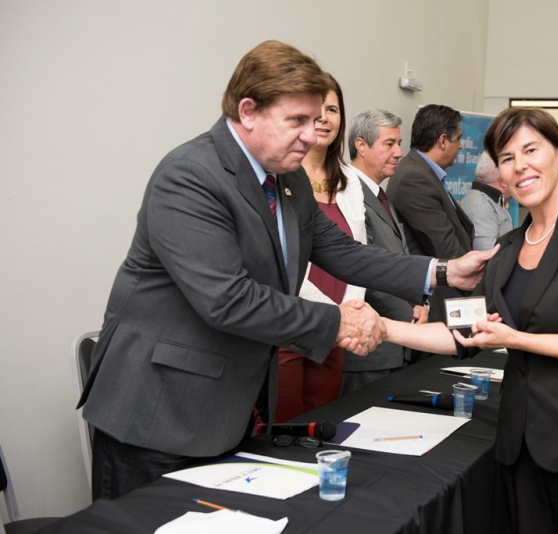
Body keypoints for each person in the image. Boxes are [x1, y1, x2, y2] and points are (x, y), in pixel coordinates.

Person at [78, 40, 493, 500]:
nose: (312, 136)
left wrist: (443, 272)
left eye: (315, 121)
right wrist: (341, 322)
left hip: (231, 408)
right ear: (248, 111)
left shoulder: (288, 179)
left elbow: (343, 252)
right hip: (159, 413)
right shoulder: (190, 176)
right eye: (297, 121)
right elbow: (228, 300)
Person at [384, 107, 558, 534]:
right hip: (520, 443)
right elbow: (466, 330)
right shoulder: (507, 248)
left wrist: (517, 338)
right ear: (501, 175)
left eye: (530, 150)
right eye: (507, 157)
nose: (519, 165)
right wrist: (383, 328)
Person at [273, 75, 367, 422]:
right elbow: (283, 256)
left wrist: (349, 309)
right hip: (291, 319)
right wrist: (330, 311)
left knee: (322, 422)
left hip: (337, 326)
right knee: (283, 425)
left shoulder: (350, 179)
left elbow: (356, 248)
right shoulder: (282, 175)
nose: (325, 118)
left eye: (333, 109)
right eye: (317, 110)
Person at [339, 109, 429, 395]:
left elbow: (398, 257)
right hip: (369, 350)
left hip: (394, 344)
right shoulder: (348, 194)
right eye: (389, 144)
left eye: (399, 144)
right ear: (361, 146)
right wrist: (408, 316)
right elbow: (363, 268)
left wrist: (420, 303)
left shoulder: (379, 194)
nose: (398, 152)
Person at [386, 104, 474, 330]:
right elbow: (445, 249)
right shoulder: (415, 178)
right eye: (458, 138)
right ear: (443, 141)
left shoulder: (423, 173)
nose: (461, 145)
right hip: (438, 305)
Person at [460, 151, 514, 250]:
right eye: (514, 175)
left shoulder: (489, 201)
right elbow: (487, 256)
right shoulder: (481, 207)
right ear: (503, 181)